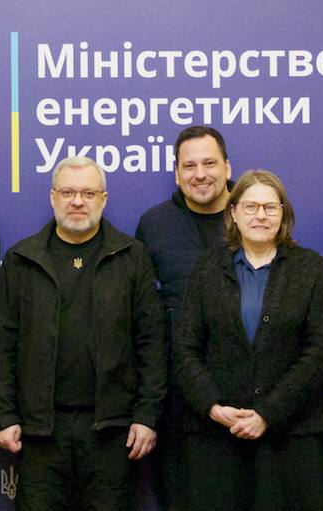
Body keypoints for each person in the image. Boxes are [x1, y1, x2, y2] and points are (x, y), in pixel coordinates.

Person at [0, 156, 166, 511]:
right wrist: (4, 416)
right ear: (53, 197)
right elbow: (1, 345)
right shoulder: (22, 259)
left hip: (111, 431)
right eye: (68, 192)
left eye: (88, 193)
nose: (78, 201)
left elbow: (152, 343)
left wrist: (147, 416)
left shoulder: (132, 257)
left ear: (104, 199)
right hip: (40, 431)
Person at [174, 169, 323, 510]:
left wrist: (268, 413)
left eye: (270, 207)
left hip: (290, 438)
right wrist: (213, 407)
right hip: (218, 436)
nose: (260, 215)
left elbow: (318, 351)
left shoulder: (310, 268)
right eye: (250, 207)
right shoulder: (206, 268)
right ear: (233, 212)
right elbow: (186, 348)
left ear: (283, 214)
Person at [134, 125, 232, 509]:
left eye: (210, 163)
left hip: (245, 395)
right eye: (189, 166)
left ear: (227, 167)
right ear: (176, 173)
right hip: (177, 401)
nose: (200, 174)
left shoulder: (255, 214)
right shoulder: (154, 225)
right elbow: (142, 318)